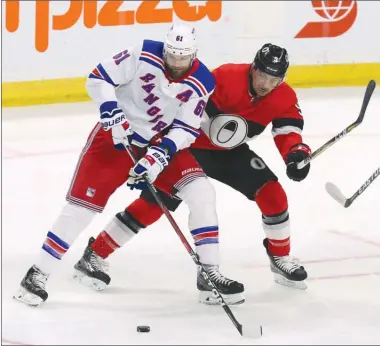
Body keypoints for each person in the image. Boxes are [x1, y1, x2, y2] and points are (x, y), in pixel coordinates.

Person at [13, 23, 245, 307]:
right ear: (166, 48)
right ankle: (37, 273)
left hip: (159, 141)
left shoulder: (202, 81)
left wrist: (160, 155)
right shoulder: (143, 53)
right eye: (172, 56)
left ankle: (209, 275)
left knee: (201, 192)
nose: (176, 63)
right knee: (81, 210)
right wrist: (110, 109)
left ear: (193, 54)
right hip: (115, 139)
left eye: (183, 57)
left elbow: (186, 126)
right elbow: (98, 78)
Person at [74, 43, 311, 294]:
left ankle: (280, 257)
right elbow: (187, 108)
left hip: (230, 153)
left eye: (274, 79)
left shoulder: (284, 97)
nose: (265, 84)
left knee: (272, 193)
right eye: (262, 75)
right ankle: (95, 253)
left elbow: (288, 131)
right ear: (253, 69)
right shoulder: (225, 77)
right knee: (156, 203)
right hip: (189, 146)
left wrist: (295, 154)